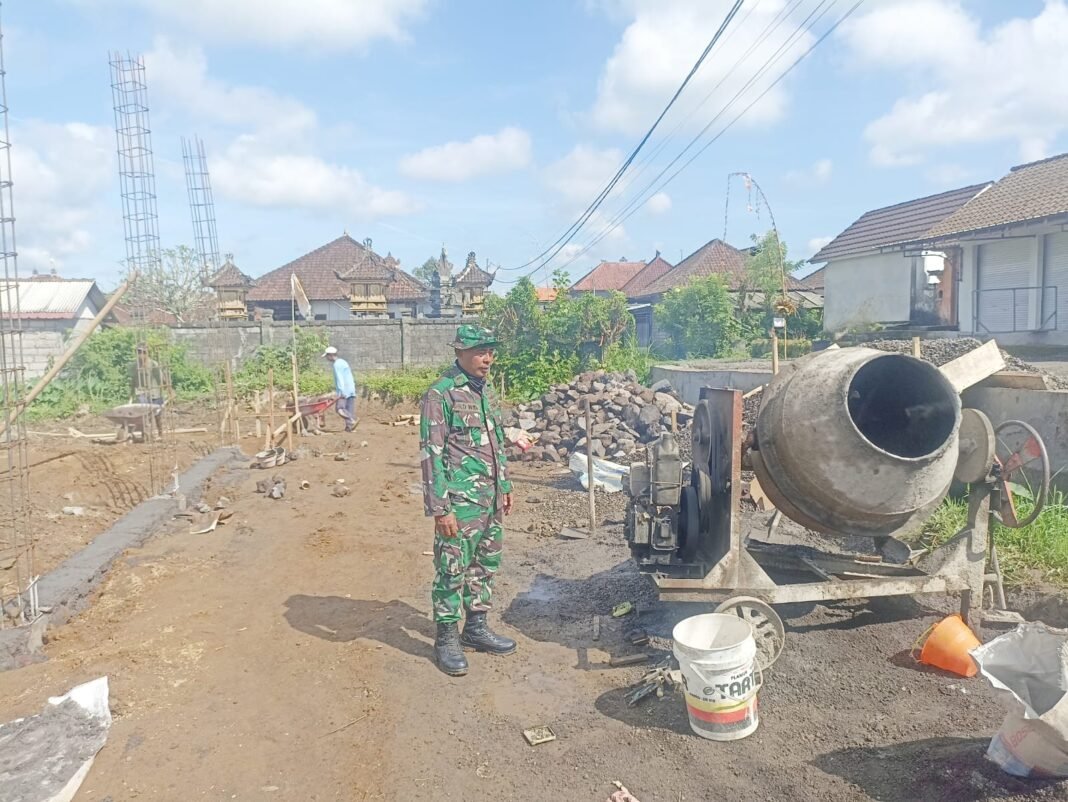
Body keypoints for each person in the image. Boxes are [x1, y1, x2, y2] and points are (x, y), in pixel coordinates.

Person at [420, 324, 515, 676]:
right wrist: (440, 508)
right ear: (459, 353)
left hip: (488, 500)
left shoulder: (483, 391)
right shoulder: (441, 394)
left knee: (485, 564)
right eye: (479, 351)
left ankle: (475, 627)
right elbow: (431, 454)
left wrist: (503, 485)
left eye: (490, 351)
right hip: (458, 503)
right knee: (451, 569)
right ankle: (446, 637)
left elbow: (496, 441)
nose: (487, 358)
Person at [129, 343, 165, 440]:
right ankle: (145, 434)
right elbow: (132, 381)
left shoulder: (153, 364)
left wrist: (169, 390)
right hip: (142, 393)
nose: (141, 355)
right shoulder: (134, 366)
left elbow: (161, 379)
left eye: (144, 352)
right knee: (143, 414)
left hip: (155, 392)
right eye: (139, 352)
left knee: (157, 415)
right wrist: (131, 394)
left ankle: (160, 433)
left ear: (147, 353)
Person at [322, 346, 358, 432]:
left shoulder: (336, 364)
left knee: (340, 409)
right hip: (351, 388)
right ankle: (350, 428)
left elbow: (340, 378)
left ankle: (353, 420)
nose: (327, 358)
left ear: (330, 355)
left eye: (327, 356)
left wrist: (341, 391)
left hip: (344, 390)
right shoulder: (343, 361)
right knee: (349, 408)